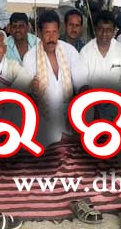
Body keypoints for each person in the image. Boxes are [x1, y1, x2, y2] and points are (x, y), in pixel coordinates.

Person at [24, 10, 88, 146]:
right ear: (39, 33)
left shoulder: (69, 51)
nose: (51, 38)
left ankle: (66, 138)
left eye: (54, 32)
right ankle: (68, 140)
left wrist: (75, 111)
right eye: (47, 33)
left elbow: (82, 85)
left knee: (90, 105)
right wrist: (33, 90)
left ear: (59, 32)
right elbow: (27, 96)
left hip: (69, 111)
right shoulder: (30, 57)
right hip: (44, 114)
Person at [79, 11, 121, 121]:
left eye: (108, 30)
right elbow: (81, 84)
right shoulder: (85, 52)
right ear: (95, 29)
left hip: (116, 101)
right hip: (91, 102)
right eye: (101, 29)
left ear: (114, 30)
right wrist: (94, 107)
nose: (104, 34)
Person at [0, 29, 33, 127]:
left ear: (5, 49)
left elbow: (26, 78)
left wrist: (7, 97)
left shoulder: (12, 66)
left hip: (10, 114)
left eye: (0, 45)